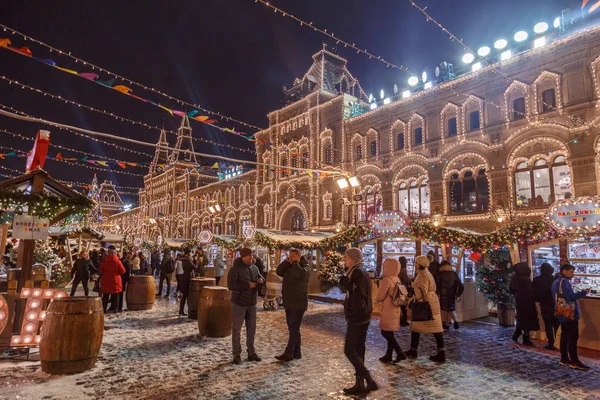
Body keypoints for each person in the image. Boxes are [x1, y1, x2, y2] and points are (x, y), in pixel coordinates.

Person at [339, 248, 377, 395]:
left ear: (354, 260)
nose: (344, 259)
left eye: (346, 257)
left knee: (349, 349)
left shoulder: (357, 273)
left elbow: (358, 296)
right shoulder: (358, 271)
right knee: (359, 350)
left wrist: (352, 313)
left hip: (358, 317)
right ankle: (359, 384)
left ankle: (369, 379)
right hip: (363, 316)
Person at [227, 247, 264, 364]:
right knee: (236, 329)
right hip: (239, 303)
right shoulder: (235, 269)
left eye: (251, 255)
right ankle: (236, 354)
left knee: (251, 329)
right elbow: (231, 286)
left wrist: (261, 280)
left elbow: (261, 278)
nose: (251, 257)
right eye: (248, 256)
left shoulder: (254, 268)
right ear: (243, 257)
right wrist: (247, 286)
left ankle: (251, 352)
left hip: (252, 303)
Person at [406, 255, 446, 362]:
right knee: (422, 328)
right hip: (432, 302)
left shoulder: (422, 275)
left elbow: (422, 290)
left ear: (420, 264)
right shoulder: (427, 273)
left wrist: (413, 292)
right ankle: (414, 349)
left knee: (426, 327)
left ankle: (415, 350)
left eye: (416, 262)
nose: (415, 264)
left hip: (425, 304)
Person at [274, 248, 311, 362]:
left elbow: (298, 275)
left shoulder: (305, 267)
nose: (290, 258)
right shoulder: (288, 265)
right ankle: (297, 351)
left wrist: (295, 263)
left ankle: (289, 352)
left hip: (298, 302)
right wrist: (286, 261)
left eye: (293, 257)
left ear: (298, 257)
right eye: (289, 256)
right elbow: (279, 271)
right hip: (289, 301)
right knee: (293, 327)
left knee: (294, 327)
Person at [552, 264, 590, 371]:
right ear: (564, 271)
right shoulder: (565, 282)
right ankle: (574, 361)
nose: (573, 275)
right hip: (569, 313)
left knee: (564, 336)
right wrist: (583, 292)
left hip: (560, 313)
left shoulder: (556, 281)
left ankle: (564, 358)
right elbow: (570, 296)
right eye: (571, 272)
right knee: (573, 337)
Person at [375, 258, 406, 364]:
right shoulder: (396, 278)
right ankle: (388, 355)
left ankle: (399, 352)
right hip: (396, 308)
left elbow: (381, 295)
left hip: (388, 308)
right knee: (390, 332)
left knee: (385, 332)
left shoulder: (386, 280)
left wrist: (375, 301)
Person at [510, 262, 540, 346]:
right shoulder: (526, 280)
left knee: (521, 318)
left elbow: (511, 289)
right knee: (527, 320)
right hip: (527, 302)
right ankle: (525, 337)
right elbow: (530, 292)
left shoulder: (514, 278)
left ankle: (518, 334)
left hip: (519, 300)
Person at [532, 263, 559, 350]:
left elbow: (534, 293)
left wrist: (538, 299)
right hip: (555, 304)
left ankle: (551, 343)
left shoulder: (537, 280)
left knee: (548, 325)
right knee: (556, 324)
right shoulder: (555, 279)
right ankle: (558, 343)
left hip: (544, 304)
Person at [436, 260, 464, 330]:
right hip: (452, 294)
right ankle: (452, 322)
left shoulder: (440, 274)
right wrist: (458, 293)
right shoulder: (454, 274)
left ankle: (449, 323)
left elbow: (437, 285)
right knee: (451, 309)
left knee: (445, 309)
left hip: (443, 294)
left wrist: (437, 293)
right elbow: (461, 285)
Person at [99, 245, 126, 313]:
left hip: (106, 280)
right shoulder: (118, 262)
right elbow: (123, 271)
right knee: (116, 295)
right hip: (115, 280)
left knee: (105, 296)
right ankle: (115, 309)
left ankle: (104, 309)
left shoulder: (104, 261)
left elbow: (101, 270)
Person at [176, 248, 197, 316]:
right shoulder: (188, 259)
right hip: (188, 278)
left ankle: (181, 310)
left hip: (183, 277)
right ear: (189, 252)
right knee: (188, 296)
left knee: (184, 295)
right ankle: (189, 310)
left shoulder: (182, 259)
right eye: (191, 252)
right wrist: (196, 261)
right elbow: (195, 267)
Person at [398, 256, 411, 327]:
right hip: (404, 289)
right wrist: (409, 280)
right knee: (404, 306)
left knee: (400, 305)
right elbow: (406, 279)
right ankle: (404, 320)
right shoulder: (403, 269)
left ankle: (400, 319)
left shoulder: (397, 269)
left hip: (399, 288)